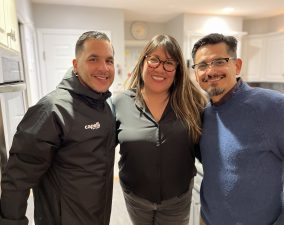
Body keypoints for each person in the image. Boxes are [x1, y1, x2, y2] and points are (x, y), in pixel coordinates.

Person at [0, 31, 116, 225]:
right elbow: (17, 178)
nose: (103, 68)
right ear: (76, 65)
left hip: (98, 216)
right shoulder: (52, 110)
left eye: (109, 61)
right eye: (93, 59)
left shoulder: (106, 106)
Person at [112, 34, 207, 225]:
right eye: (154, 59)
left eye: (169, 63)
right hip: (136, 196)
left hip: (177, 199)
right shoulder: (119, 102)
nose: (160, 68)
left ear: (177, 69)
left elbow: (205, 150)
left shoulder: (193, 104)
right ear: (143, 62)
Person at [191, 33, 284, 225]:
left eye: (219, 61)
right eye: (202, 65)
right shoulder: (205, 115)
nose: (210, 71)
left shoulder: (273, 107)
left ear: (237, 65)